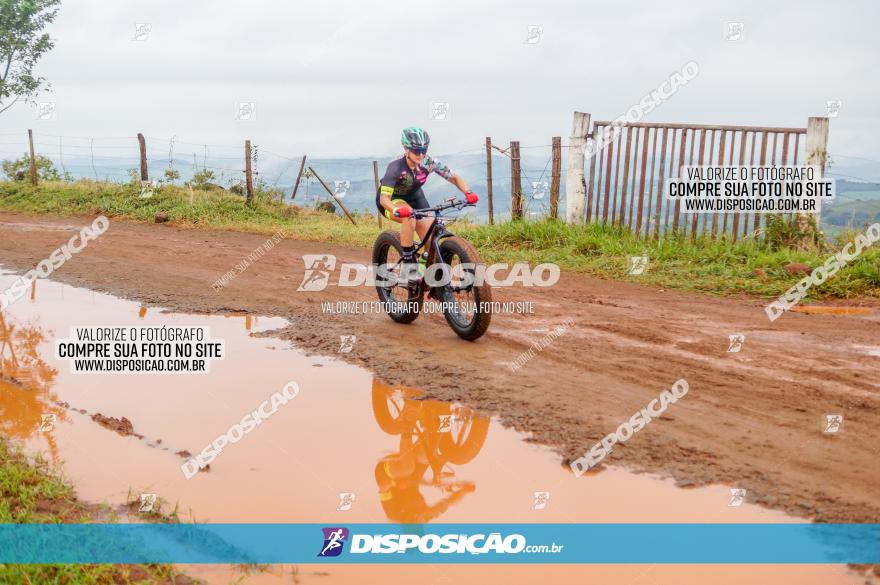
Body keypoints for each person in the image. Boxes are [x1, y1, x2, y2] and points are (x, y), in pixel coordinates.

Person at [376, 127, 478, 279]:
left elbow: (454, 177)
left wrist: (468, 193)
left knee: (431, 238)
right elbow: (384, 199)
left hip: (415, 197)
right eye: (417, 151)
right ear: (406, 149)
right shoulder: (395, 166)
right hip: (391, 200)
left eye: (424, 150)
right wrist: (396, 210)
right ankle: (409, 264)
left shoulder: (428, 162)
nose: (421, 154)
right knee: (409, 218)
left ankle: (427, 276)